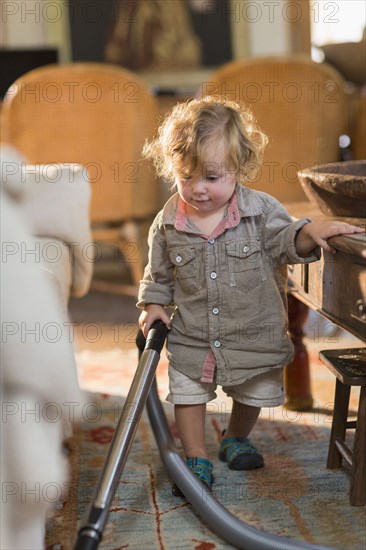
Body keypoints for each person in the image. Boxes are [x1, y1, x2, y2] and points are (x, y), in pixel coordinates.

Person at [137, 96, 364, 496]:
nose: (198, 189)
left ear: (238, 169)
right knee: (188, 393)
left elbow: (286, 240)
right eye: (186, 176)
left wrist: (311, 231)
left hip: (253, 333)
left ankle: (235, 437)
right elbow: (157, 275)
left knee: (254, 391)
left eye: (211, 177)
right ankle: (195, 457)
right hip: (194, 335)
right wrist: (153, 305)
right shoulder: (167, 222)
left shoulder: (262, 211)